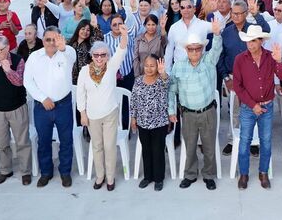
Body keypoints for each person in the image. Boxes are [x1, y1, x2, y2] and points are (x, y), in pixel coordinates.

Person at [168, 19, 224, 190]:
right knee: (190, 145)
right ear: (186, 50)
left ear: (201, 49)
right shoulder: (178, 66)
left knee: (209, 145)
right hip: (188, 114)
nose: (194, 52)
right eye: (191, 49)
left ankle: (208, 175)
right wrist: (171, 110)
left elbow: (217, 48)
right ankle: (190, 174)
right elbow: (172, 90)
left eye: (197, 48)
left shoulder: (209, 61)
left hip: (207, 112)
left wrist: (217, 34)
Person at [233, 27, 282, 190]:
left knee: (266, 141)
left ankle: (263, 172)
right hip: (248, 108)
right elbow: (238, 86)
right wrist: (253, 105)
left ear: (261, 41)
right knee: (245, 141)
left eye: (253, 41)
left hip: (267, 106)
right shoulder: (240, 59)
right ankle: (244, 174)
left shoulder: (271, 57)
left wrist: (279, 61)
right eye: (248, 41)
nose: (250, 44)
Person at [216, 0, 271, 155]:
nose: (236, 16)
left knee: (253, 108)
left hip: (253, 77)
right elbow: (221, 57)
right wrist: (226, 78)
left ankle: (253, 141)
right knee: (235, 110)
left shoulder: (253, 29)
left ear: (246, 14)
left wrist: (257, 14)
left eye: (239, 13)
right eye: (234, 13)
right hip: (233, 77)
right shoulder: (226, 32)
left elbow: (267, 30)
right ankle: (233, 140)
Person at [24, 26, 77, 188]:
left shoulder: (67, 52)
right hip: (42, 107)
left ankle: (65, 172)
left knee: (66, 140)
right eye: (48, 39)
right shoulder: (34, 57)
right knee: (44, 141)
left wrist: (63, 47)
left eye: (55, 39)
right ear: (42, 40)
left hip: (63, 105)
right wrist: (42, 98)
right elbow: (28, 81)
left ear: (61, 39)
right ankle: (46, 172)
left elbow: (71, 56)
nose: (52, 43)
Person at [77, 31, 128, 190]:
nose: (99, 58)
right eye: (96, 55)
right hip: (92, 116)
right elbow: (80, 93)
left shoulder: (111, 67)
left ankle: (110, 177)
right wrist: (82, 113)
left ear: (107, 56)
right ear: (92, 56)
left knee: (109, 146)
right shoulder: (84, 71)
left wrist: (124, 36)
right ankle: (100, 176)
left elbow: (121, 50)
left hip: (110, 113)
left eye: (103, 55)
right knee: (97, 146)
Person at [0, 36, 32, 186]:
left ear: (8, 48)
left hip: (17, 108)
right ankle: (5, 170)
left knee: (22, 142)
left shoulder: (18, 61)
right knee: (1, 143)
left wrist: (8, 70)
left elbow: (20, 82)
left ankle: (25, 171)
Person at [131, 54, 170, 191]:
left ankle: (159, 178)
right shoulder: (138, 81)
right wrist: (133, 118)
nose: (149, 68)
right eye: (146, 65)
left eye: (152, 66)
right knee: (146, 150)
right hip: (143, 123)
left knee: (158, 150)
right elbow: (133, 100)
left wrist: (162, 72)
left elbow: (167, 83)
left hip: (159, 123)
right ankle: (148, 177)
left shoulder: (161, 80)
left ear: (157, 66)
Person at [165, 0, 212, 65]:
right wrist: (167, 70)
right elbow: (169, 51)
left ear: (194, 9)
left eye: (189, 7)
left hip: (198, 68)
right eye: (182, 7)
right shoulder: (174, 27)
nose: (185, 10)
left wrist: (215, 11)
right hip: (179, 69)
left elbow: (220, 28)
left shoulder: (203, 25)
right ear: (180, 10)